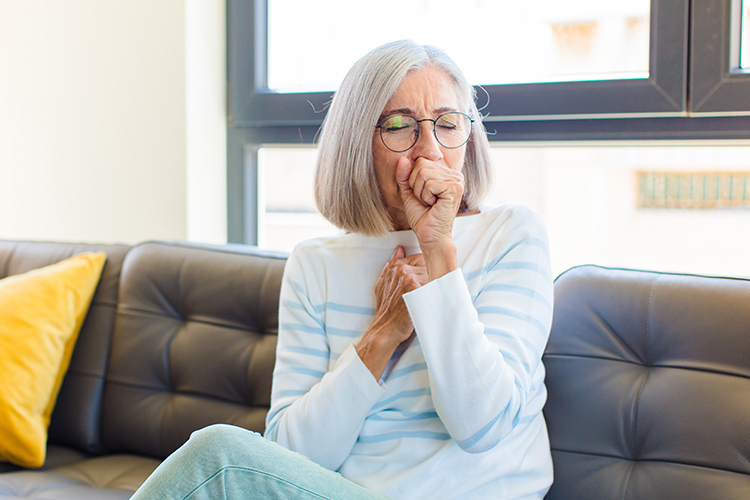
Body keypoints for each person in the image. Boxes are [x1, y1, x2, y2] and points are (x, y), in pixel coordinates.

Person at [131, 39, 554, 500]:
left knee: (220, 459)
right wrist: (382, 335)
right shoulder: (315, 264)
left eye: (448, 124)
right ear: (358, 143)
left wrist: (438, 249)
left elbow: (482, 426)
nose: (430, 150)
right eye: (399, 126)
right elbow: (292, 457)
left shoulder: (512, 234)